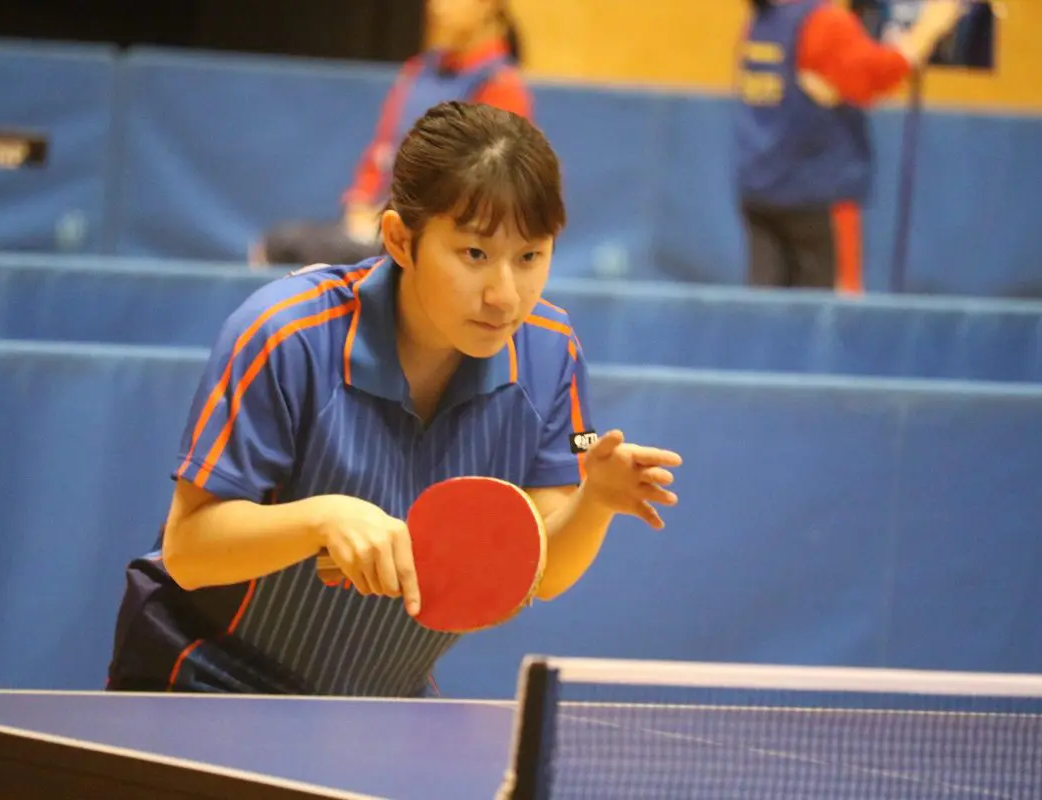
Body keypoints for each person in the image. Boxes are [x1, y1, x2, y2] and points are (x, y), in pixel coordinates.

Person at [106, 101, 684, 696]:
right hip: (208, 677)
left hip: (378, 698)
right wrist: (321, 520)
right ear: (400, 240)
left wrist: (595, 502)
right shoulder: (287, 336)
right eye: (475, 254)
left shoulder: (551, 353)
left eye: (530, 256)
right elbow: (189, 551)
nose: (505, 296)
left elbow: (539, 570)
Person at [250, 0, 533, 268]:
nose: (437, 7)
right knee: (275, 245)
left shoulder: (501, 86)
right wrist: (361, 202)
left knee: (292, 248)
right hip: (381, 221)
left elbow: (481, 187)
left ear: (487, 5)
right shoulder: (417, 70)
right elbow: (384, 149)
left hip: (432, 235)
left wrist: (403, 220)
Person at [732, 0, 966, 293]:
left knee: (766, 308)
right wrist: (927, 30)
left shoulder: (761, 22)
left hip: (761, 189)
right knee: (831, 310)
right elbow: (873, 76)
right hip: (814, 197)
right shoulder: (823, 23)